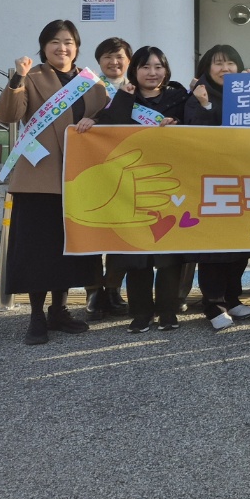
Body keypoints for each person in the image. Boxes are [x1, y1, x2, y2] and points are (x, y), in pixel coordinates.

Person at [0, 19, 109, 345]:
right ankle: (36, 316)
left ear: (77, 46)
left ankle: (59, 311)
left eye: (69, 41)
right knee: (37, 251)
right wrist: (17, 77)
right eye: (55, 42)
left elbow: (107, 117)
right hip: (40, 178)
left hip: (79, 178)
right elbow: (7, 114)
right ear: (44, 46)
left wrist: (97, 119)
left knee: (69, 251)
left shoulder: (91, 82)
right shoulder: (31, 77)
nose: (63, 48)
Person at [90, 46, 190, 332]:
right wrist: (92, 121)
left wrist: (180, 124)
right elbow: (107, 128)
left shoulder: (179, 96)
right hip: (131, 184)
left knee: (169, 253)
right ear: (135, 70)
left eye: (158, 66)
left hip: (171, 182)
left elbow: (198, 125)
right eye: (146, 66)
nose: (152, 72)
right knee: (136, 256)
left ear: (166, 69)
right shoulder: (124, 97)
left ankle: (168, 312)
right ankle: (141, 313)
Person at [185, 44, 250, 330]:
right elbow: (195, 133)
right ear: (206, 68)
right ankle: (213, 305)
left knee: (239, 244)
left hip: (244, 179)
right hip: (211, 182)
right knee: (213, 248)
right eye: (218, 63)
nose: (225, 69)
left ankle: (233, 298)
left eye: (231, 63)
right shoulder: (197, 96)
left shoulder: (248, 92)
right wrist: (204, 105)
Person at [86, 35, 134, 320]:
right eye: (107, 57)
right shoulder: (87, 86)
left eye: (119, 57)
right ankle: (93, 292)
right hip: (91, 169)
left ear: (128, 61)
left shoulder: (137, 88)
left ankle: (114, 289)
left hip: (126, 169)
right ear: (98, 61)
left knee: (121, 233)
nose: (114, 62)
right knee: (91, 233)